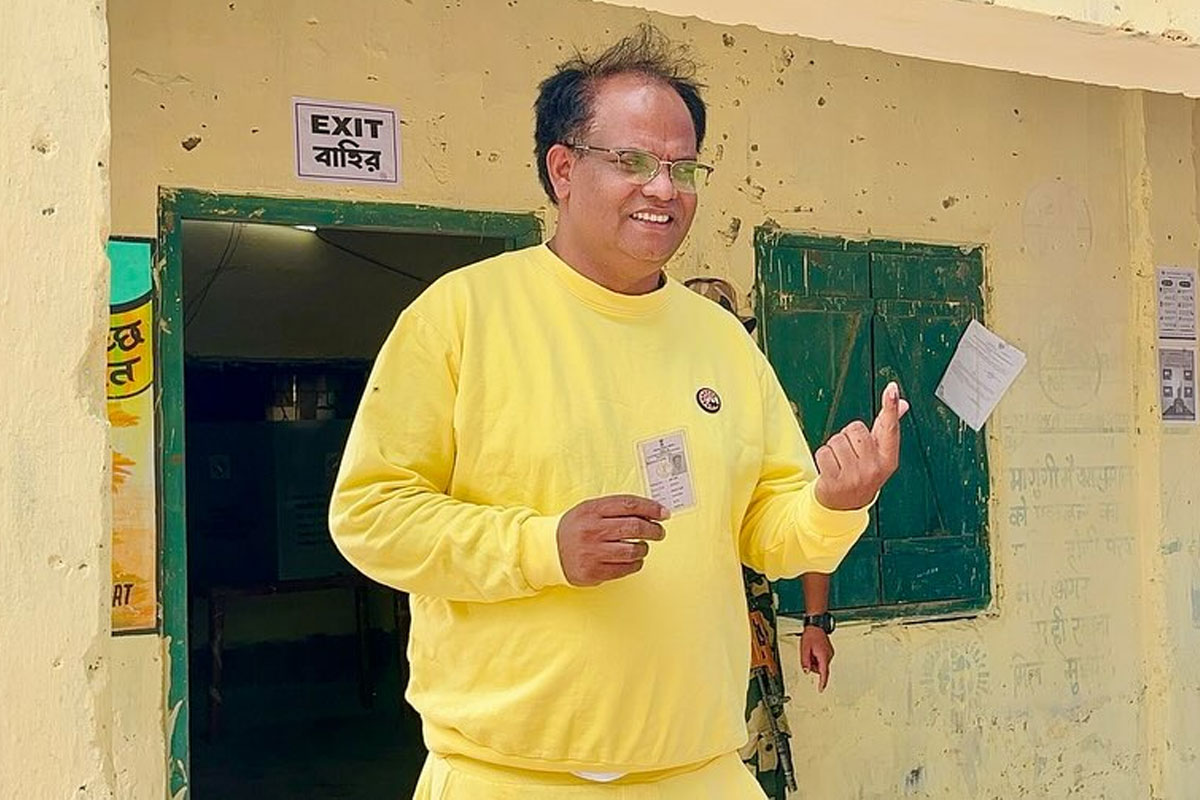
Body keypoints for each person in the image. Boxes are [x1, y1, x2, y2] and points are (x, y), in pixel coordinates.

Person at [328, 25, 907, 800]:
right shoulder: (462, 316)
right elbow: (371, 517)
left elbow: (769, 532)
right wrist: (542, 548)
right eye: (633, 162)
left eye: (682, 167)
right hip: (506, 778)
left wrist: (837, 503)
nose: (664, 189)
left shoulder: (721, 343)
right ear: (562, 169)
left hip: (699, 774)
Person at [684, 276, 836, 799]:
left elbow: (809, 513)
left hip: (746, 610)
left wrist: (815, 621)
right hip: (669, 615)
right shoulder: (644, 399)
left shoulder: (765, 407)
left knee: (756, 745)